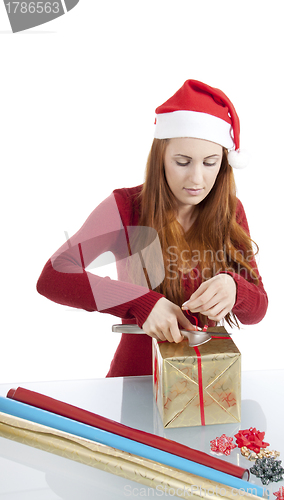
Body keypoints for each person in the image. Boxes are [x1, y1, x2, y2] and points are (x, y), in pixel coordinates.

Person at [37, 80, 268, 377]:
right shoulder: (126, 206)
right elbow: (53, 275)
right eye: (182, 162)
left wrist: (236, 288)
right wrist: (140, 302)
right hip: (136, 379)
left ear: (224, 164)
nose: (197, 178)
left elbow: (258, 309)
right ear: (161, 158)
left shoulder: (230, 211)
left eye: (210, 163)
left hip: (208, 383)